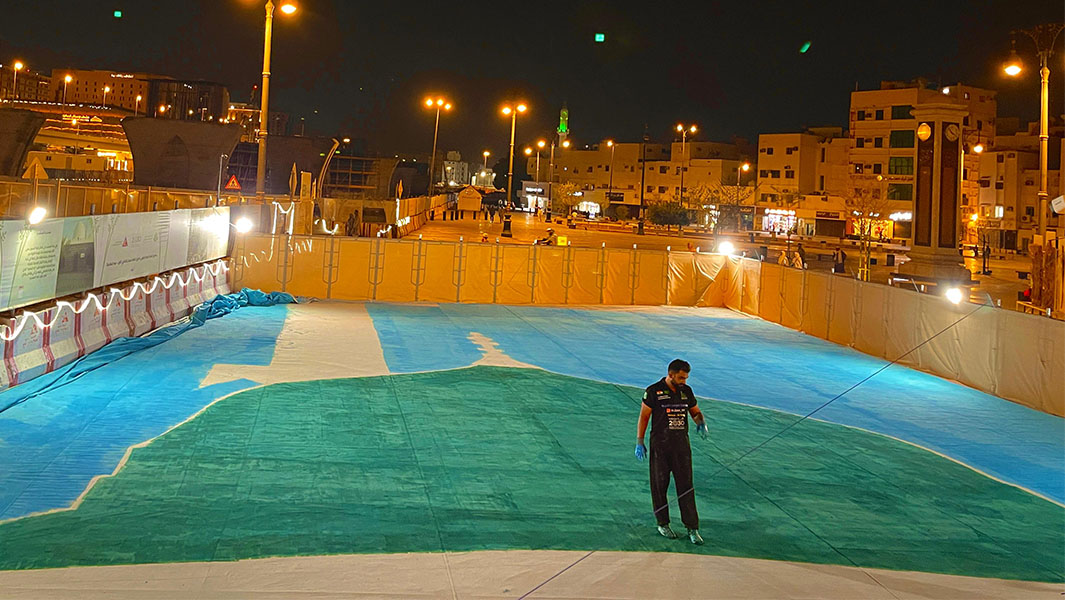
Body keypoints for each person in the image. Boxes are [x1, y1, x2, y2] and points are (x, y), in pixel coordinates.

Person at [635, 359, 707, 545]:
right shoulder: (653, 391)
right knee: (659, 485)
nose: (684, 380)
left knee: (686, 486)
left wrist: (700, 421)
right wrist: (640, 441)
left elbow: (695, 411)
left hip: (681, 447)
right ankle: (663, 523)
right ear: (671, 374)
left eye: (686, 377)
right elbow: (644, 416)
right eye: (681, 377)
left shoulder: (686, 391)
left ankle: (692, 527)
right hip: (660, 446)